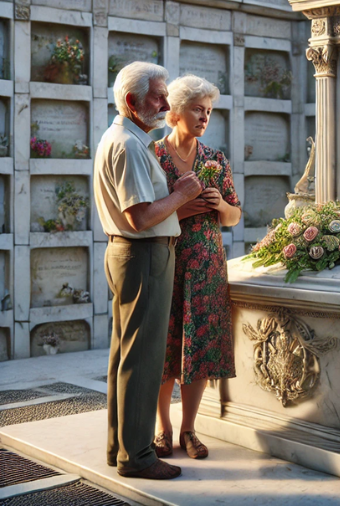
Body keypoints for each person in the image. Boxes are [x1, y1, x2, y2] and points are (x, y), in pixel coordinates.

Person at [94, 62, 203, 480]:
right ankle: (137, 457)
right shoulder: (129, 145)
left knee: (126, 355)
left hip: (130, 255)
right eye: (158, 95)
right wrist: (181, 193)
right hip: (143, 255)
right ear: (131, 102)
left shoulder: (121, 137)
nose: (165, 103)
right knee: (143, 359)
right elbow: (140, 217)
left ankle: (119, 447)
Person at [153, 75, 241, 460]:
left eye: (208, 110)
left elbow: (234, 216)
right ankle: (163, 429)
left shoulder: (214, 160)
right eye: (197, 109)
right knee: (162, 349)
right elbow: (141, 214)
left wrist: (220, 204)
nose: (204, 116)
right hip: (163, 262)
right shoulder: (153, 156)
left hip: (205, 265)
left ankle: (189, 429)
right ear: (175, 111)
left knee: (199, 348)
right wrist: (180, 206)